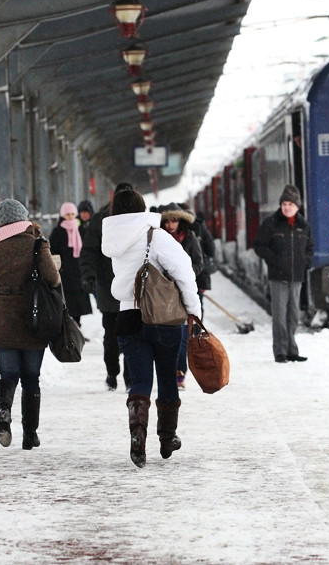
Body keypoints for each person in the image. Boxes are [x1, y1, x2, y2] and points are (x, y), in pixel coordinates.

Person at [102, 188, 201, 468]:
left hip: (128, 316)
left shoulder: (113, 240)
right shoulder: (155, 237)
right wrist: (194, 310)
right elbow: (184, 272)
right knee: (168, 376)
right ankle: (167, 439)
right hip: (162, 318)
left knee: (141, 380)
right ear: (142, 209)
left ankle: (137, 433)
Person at [0, 198, 60, 450]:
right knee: (31, 378)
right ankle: (30, 435)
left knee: (8, 375)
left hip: (2, 322)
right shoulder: (37, 245)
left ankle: (3, 411)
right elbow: (53, 279)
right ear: (24, 219)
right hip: (34, 320)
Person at [81, 182, 134, 392]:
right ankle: (112, 373)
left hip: (130, 287)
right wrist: (89, 276)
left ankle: (130, 376)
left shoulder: (137, 220)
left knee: (128, 334)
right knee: (113, 335)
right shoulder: (101, 220)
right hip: (109, 286)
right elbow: (89, 251)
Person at [253, 184, 314, 363]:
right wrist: (273, 260)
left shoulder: (304, 226)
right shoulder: (271, 224)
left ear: (297, 207)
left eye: (291, 204)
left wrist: (305, 262)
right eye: (284, 204)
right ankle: (280, 351)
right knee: (279, 316)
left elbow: (310, 248)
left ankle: (292, 350)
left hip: (296, 277)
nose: (287, 207)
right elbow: (259, 245)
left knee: (293, 315)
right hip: (278, 277)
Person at [160, 203, 204, 390]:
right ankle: (167, 372)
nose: (171, 225)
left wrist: (185, 275)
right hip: (164, 292)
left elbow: (199, 262)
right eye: (167, 221)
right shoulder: (158, 239)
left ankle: (180, 373)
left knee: (183, 333)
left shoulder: (190, 237)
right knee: (166, 333)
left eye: (174, 220)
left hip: (184, 289)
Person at [49, 202, 92, 324]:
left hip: (79, 271)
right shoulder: (58, 232)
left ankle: (77, 327)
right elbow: (53, 251)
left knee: (79, 303)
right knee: (67, 303)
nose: (70, 216)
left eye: (73, 214)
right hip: (65, 273)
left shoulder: (81, 230)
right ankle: (69, 330)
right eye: (67, 214)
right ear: (63, 215)